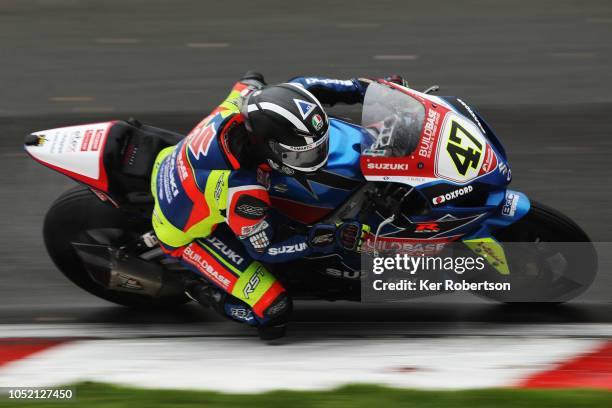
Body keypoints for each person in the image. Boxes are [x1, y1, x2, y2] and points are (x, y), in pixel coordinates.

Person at [151, 72, 404, 339]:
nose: (316, 157)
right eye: (301, 154)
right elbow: (266, 249)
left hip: (174, 161)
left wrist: (366, 89)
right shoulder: (243, 192)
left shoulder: (250, 98)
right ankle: (194, 286)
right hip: (181, 231)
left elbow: (300, 85)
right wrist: (329, 237)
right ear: (267, 147)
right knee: (274, 312)